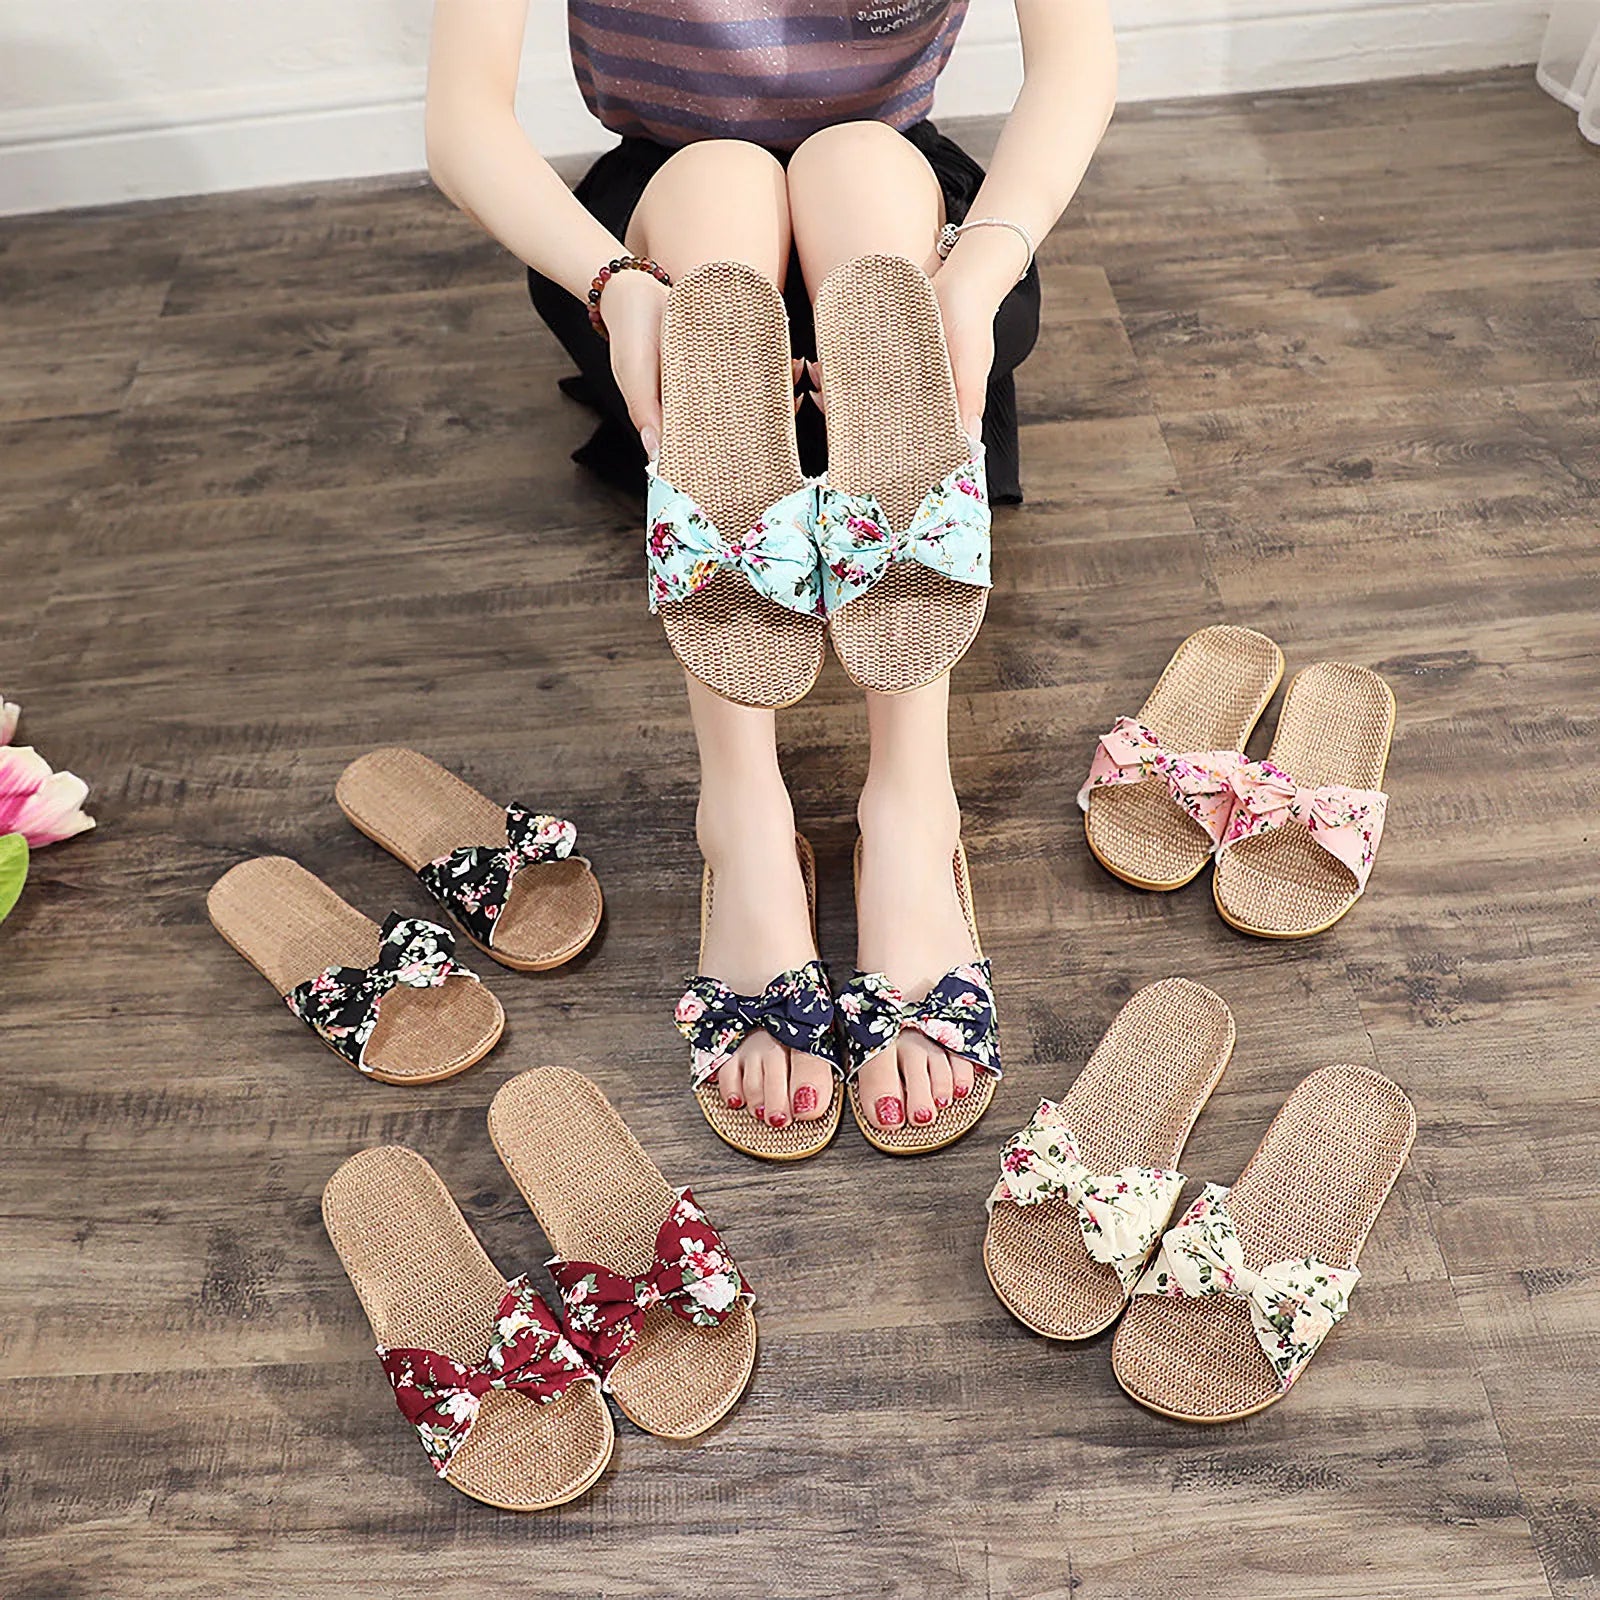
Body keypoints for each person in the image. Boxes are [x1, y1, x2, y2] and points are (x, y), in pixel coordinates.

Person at [425, 0, 1116, 1137]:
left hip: (891, 211)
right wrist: (615, 286)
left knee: (860, 169)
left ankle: (909, 803)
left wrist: (982, 265)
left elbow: (1075, 57)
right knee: (719, 209)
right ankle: (741, 808)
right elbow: (462, 120)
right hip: (657, 227)